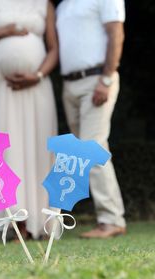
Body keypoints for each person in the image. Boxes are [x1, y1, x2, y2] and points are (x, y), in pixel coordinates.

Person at [0, 0, 59, 239]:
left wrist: (37, 75)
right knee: (3, 149)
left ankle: (41, 220)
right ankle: (14, 220)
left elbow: (55, 49)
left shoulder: (44, 4)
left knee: (38, 147)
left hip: (36, 86)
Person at [56, 0, 126, 238]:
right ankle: (107, 217)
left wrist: (106, 79)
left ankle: (111, 219)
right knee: (83, 152)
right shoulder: (63, 6)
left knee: (91, 147)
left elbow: (116, 33)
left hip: (97, 79)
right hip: (69, 84)